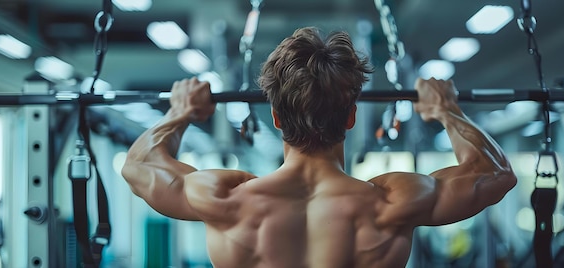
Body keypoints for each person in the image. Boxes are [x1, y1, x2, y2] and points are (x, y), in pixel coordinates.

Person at [122, 27, 517, 268]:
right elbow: (495, 174)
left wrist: (181, 113)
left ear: (275, 118)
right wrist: (446, 111)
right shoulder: (392, 203)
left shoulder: (225, 199)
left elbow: (138, 165)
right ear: (351, 117)